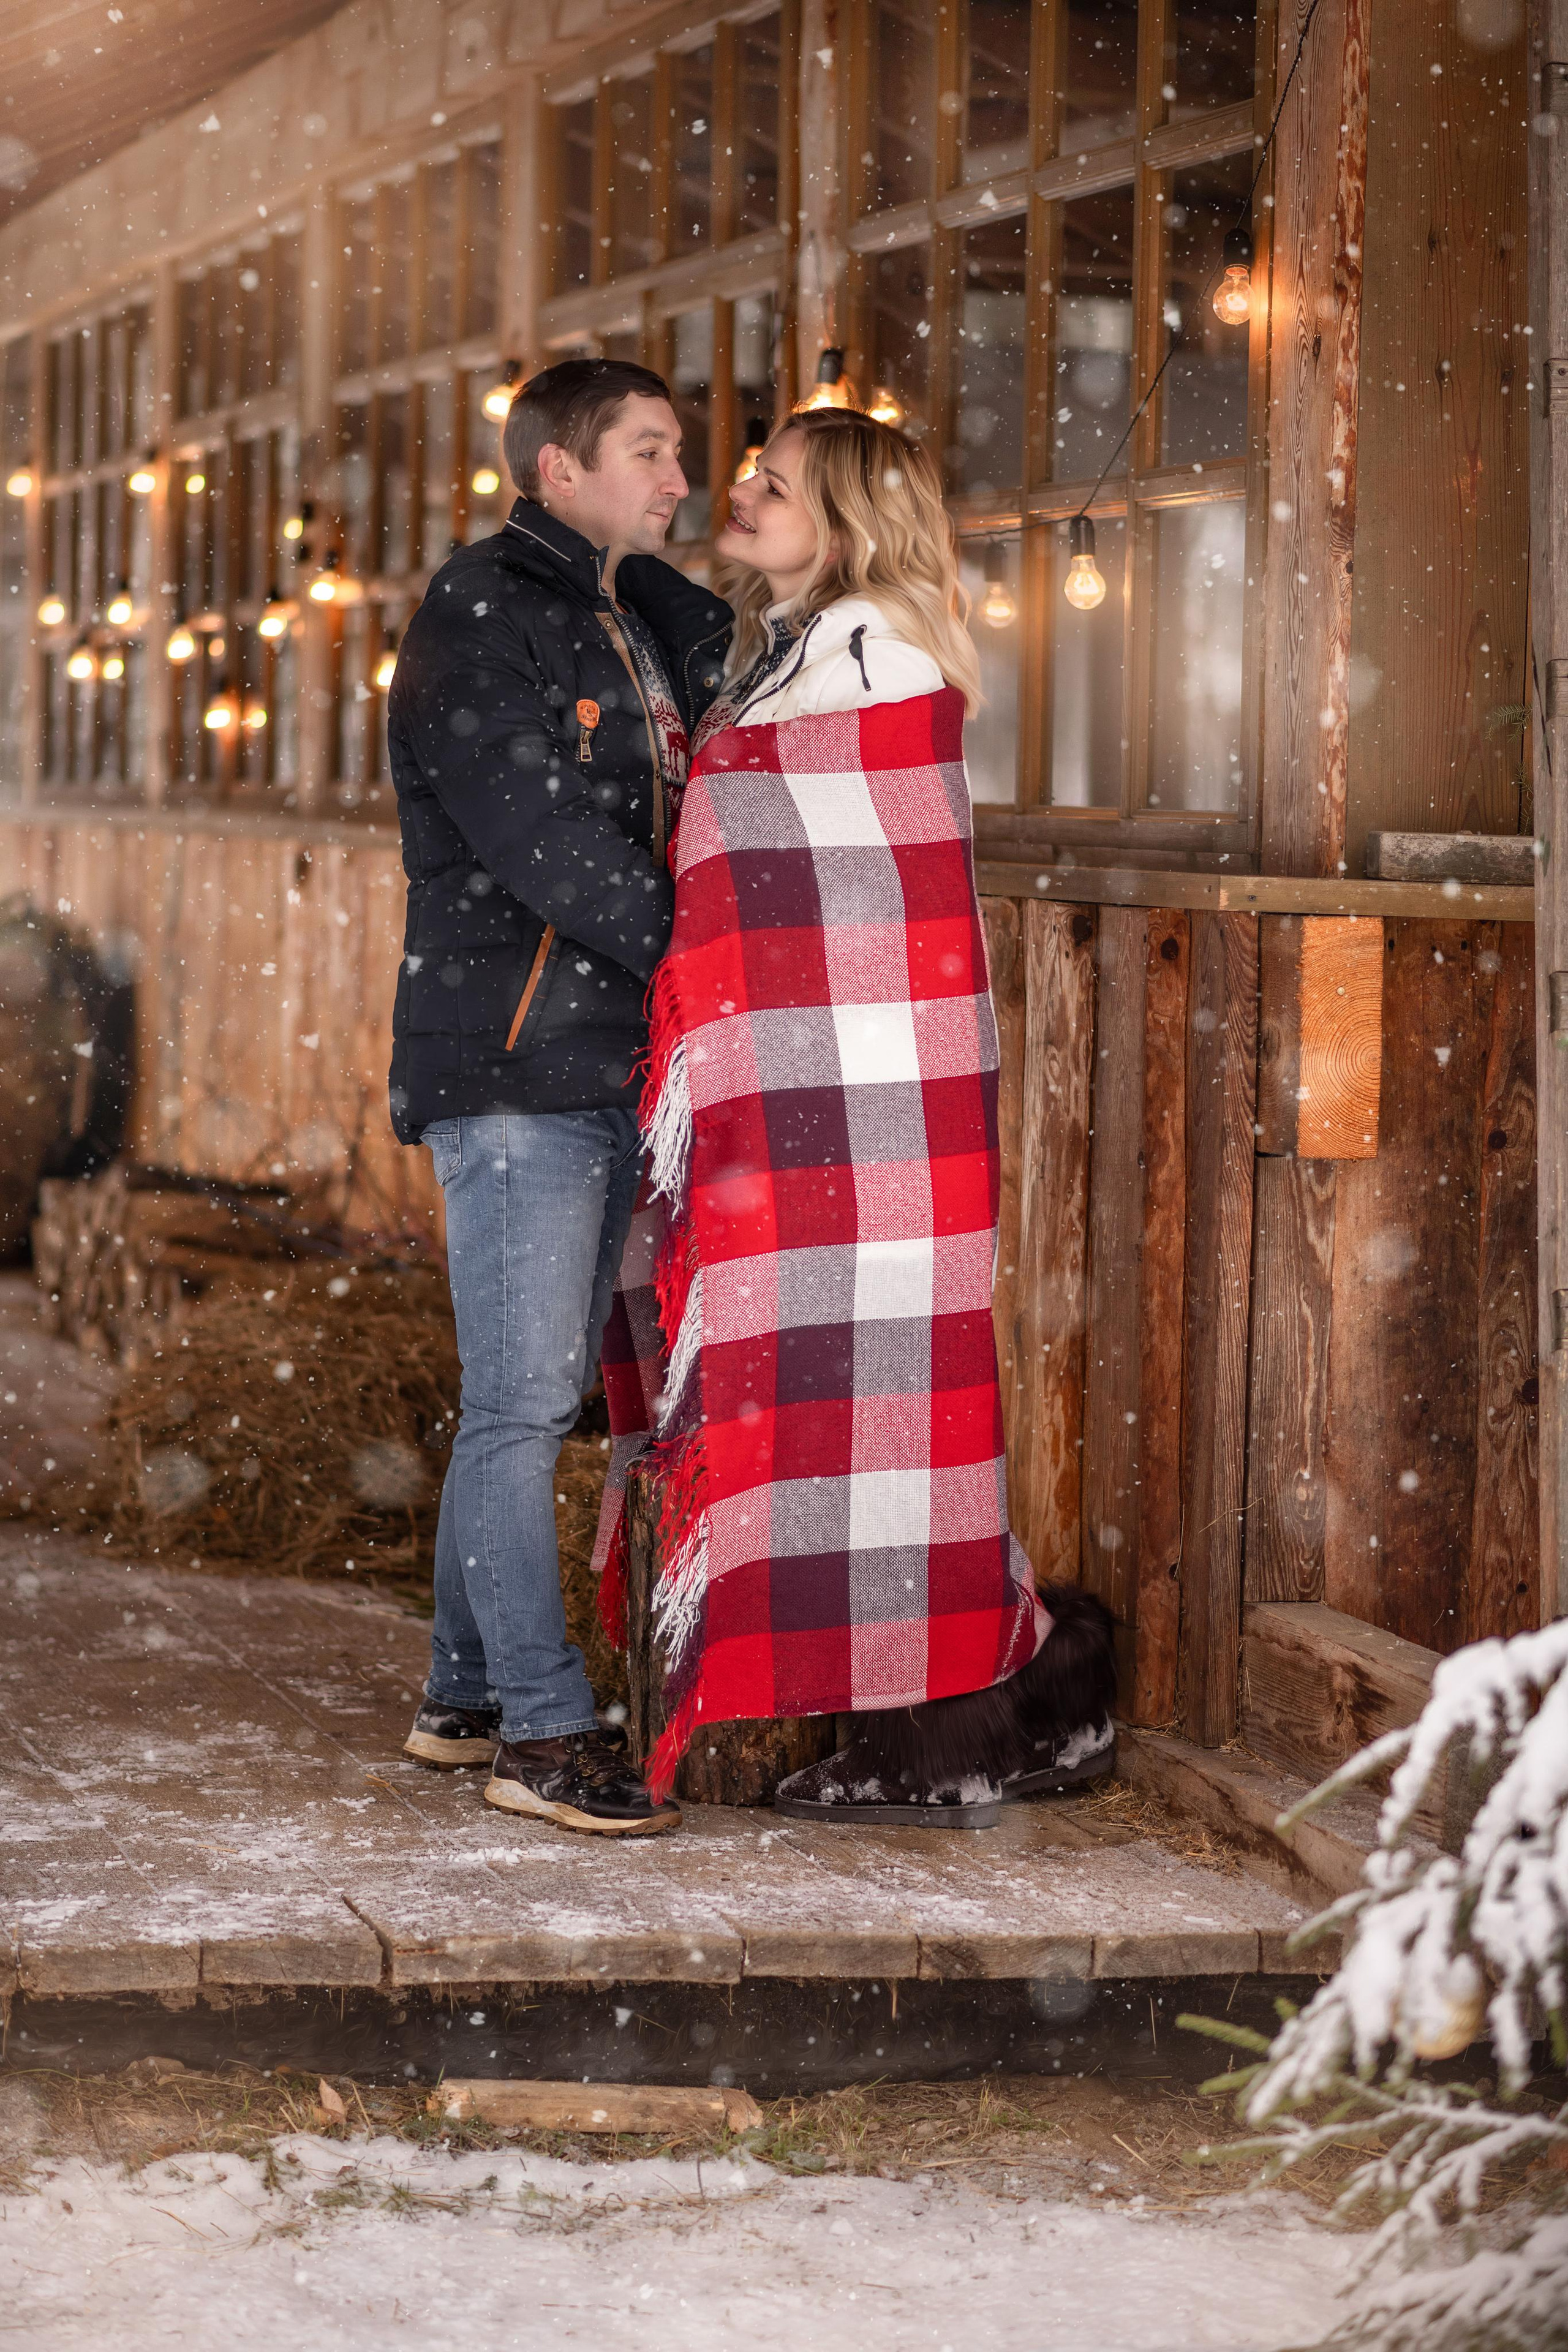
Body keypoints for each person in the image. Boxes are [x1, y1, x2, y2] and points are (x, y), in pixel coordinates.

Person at [594, 407, 1117, 1822]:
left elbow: (815, 868)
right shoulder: (807, 643)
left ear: (849, 522)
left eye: (776, 485)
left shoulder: (875, 650)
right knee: (867, 1413)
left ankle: (937, 1742)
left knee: (881, 1418)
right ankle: (1001, 1704)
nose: (742, 494)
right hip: (842, 1091)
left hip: (864, 1090)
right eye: (750, 475)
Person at [386, 357, 729, 1837]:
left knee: (522, 1408)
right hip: (515, 1064)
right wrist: (703, 959)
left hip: (595, 1066)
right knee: (523, 1407)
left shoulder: (629, 612)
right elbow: (535, 836)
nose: (678, 481)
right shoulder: (481, 615)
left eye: (677, 456)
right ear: (557, 473)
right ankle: (540, 1727)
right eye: (648, 454)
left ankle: (461, 1698)